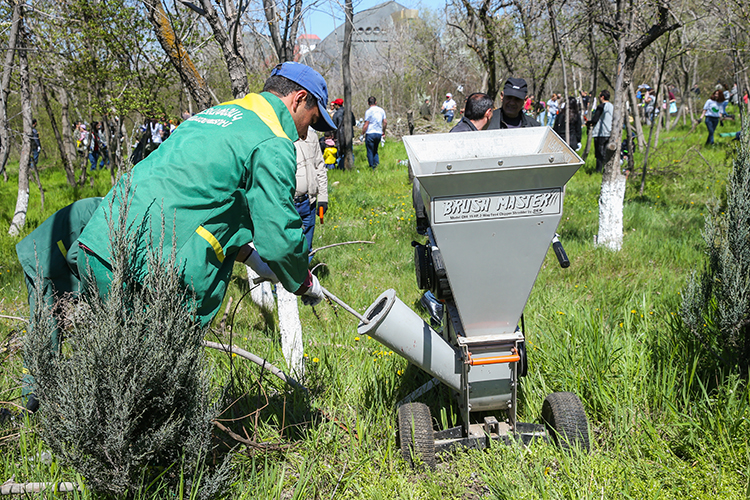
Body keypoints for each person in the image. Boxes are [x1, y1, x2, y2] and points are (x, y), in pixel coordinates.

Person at [75, 61, 335, 328]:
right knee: (155, 365)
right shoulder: (272, 140)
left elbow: (196, 201)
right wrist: (303, 282)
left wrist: (252, 259)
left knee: (111, 360)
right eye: (312, 121)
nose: (305, 134)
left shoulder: (217, 114)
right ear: (299, 99)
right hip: (146, 268)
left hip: (100, 242)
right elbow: (279, 236)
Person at [16, 197, 104, 412]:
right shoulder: (108, 215)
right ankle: (32, 404)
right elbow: (76, 254)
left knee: (45, 331)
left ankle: (44, 397)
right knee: (46, 332)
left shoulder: (106, 205)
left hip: (45, 257)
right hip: (44, 262)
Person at [294, 127, 329, 261]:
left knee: (306, 248)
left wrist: (323, 198)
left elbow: (319, 166)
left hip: (309, 202)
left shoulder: (312, 136)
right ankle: (283, 281)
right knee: (288, 247)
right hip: (288, 204)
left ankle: (303, 279)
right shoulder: (279, 133)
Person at [586, 89, 614, 173]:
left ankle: (598, 170)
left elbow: (595, 120)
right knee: (607, 153)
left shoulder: (601, 106)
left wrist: (588, 123)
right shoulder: (612, 106)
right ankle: (608, 170)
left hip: (600, 133)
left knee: (599, 154)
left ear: (602, 97)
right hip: (609, 132)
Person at [362, 96, 386, 169]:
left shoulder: (369, 111)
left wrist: (362, 133)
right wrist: (383, 131)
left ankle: (371, 166)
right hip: (378, 133)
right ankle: (376, 165)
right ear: (376, 102)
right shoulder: (381, 110)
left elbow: (366, 124)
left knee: (370, 151)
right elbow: (385, 122)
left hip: (370, 133)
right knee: (375, 150)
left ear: (368, 103)